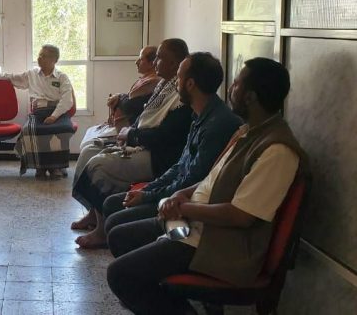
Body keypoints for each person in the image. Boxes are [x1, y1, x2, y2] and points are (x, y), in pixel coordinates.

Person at [106, 58, 307, 315]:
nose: (230, 89)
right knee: (122, 237)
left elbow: (241, 216)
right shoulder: (248, 132)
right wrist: (182, 195)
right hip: (192, 227)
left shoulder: (276, 150)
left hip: (216, 245)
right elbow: (214, 178)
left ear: (251, 97)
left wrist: (183, 208)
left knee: (121, 274)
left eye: (236, 84)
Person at [75, 52, 242, 248]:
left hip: (184, 205)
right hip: (176, 192)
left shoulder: (217, 125)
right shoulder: (200, 115)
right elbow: (180, 166)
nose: (175, 83)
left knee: (115, 227)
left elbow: (191, 180)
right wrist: (146, 189)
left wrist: (147, 196)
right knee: (111, 204)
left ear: (190, 84)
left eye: (178, 77)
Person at [71, 39, 192, 233]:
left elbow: (163, 136)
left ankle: (101, 229)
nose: (155, 62)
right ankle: (93, 213)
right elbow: (144, 115)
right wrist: (130, 132)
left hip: (157, 157)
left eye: (159, 58)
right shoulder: (164, 85)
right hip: (142, 144)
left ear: (173, 63)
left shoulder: (181, 97)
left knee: (98, 165)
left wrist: (131, 135)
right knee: (88, 151)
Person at [0, 44, 74, 180]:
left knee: (63, 129)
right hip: (38, 112)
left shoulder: (62, 77)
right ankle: (40, 166)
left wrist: (54, 116)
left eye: (44, 56)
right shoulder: (32, 74)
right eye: (39, 55)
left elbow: (67, 100)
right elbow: (11, 77)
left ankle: (56, 167)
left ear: (54, 60)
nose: (39, 58)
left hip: (58, 113)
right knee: (29, 130)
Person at [80, 46, 160, 149]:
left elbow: (128, 105)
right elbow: (129, 100)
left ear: (152, 63)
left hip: (129, 130)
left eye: (141, 59)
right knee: (89, 134)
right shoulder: (145, 79)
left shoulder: (153, 82)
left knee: (88, 146)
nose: (136, 62)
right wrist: (120, 97)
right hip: (121, 127)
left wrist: (119, 98)